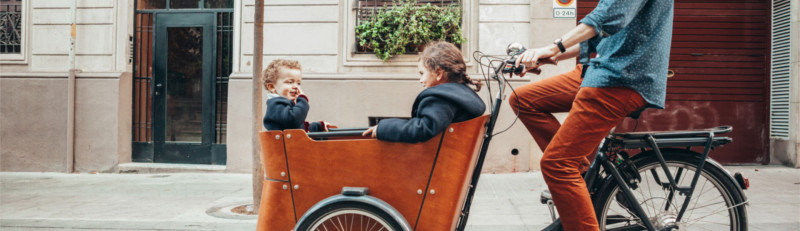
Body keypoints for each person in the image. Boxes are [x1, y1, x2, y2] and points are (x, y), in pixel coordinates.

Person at [509, 0, 673, 230]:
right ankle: (583, 177)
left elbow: (607, 16)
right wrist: (549, 56)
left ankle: (571, 176)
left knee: (557, 165)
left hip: (620, 79)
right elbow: (600, 35)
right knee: (523, 100)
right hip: (598, 70)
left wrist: (553, 47)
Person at [362, 41, 485, 143]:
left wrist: (384, 128)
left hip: (434, 165)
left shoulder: (441, 99)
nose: (421, 80)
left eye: (422, 73)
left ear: (438, 73)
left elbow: (423, 129)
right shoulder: (461, 95)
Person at [262, 59, 334, 132]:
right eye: (290, 82)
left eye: (298, 83)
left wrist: (319, 126)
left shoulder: (284, 106)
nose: (296, 86)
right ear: (272, 87)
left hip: (292, 142)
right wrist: (303, 100)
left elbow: (299, 129)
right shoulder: (276, 105)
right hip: (289, 143)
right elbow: (293, 120)